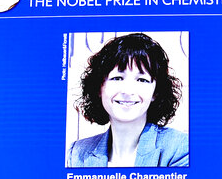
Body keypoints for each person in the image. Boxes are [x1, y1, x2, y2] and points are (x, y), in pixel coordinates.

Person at [68, 32, 189, 168]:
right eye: (117, 78)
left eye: (142, 80)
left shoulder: (181, 148)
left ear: (155, 92)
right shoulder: (77, 153)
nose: (128, 91)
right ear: (99, 88)